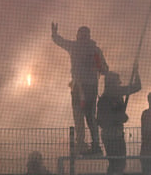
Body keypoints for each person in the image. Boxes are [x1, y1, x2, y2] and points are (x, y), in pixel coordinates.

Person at [51, 22, 109, 155]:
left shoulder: (76, 47)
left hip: (79, 88)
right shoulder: (95, 50)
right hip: (90, 88)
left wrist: (54, 34)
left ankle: (82, 145)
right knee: (90, 117)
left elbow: (60, 41)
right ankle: (95, 145)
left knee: (79, 116)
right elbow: (105, 69)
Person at [97, 63, 141, 175]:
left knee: (117, 163)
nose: (119, 84)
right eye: (118, 81)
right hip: (112, 135)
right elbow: (137, 87)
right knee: (118, 163)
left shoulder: (110, 96)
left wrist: (120, 117)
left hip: (114, 134)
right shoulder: (111, 94)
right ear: (112, 83)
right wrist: (136, 71)